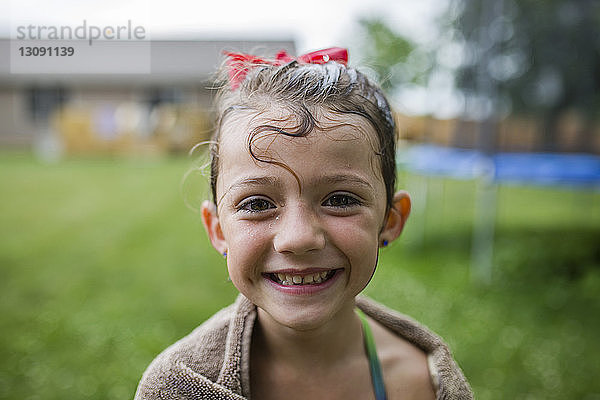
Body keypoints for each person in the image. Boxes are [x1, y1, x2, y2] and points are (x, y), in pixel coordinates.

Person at [134, 47, 473, 400]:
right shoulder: (176, 387)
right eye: (257, 204)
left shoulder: (425, 383)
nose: (298, 238)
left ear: (390, 220)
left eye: (340, 200)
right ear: (218, 229)